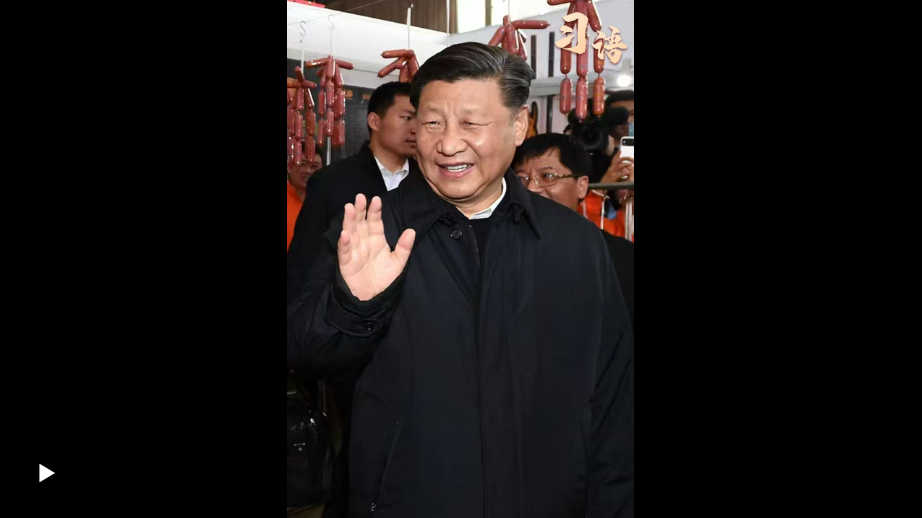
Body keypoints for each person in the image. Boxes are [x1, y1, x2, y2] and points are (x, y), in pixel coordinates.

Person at [288, 42, 633, 518]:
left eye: (471, 124)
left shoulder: (576, 244)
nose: (448, 144)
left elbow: (614, 399)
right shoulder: (372, 231)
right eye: (432, 123)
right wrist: (352, 306)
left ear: (518, 124)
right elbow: (303, 352)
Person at [512, 133, 633, 329]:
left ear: (582, 186)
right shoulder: (500, 250)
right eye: (521, 179)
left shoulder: (620, 257)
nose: (531, 188)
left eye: (547, 176)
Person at [288, 151, 323, 252]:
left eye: (314, 166)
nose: (308, 170)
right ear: (289, 167)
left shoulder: (326, 200)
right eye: (302, 164)